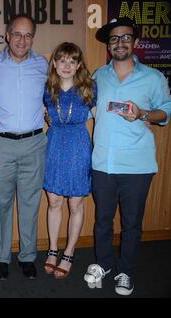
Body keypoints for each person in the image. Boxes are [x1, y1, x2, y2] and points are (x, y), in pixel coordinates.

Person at [84, 17, 171, 296]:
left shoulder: (153, 77)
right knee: (102, 220)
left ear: (135, 42)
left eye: (125, 37)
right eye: (114, 39)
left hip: (137, 165)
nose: (119, 43)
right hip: (102, 163)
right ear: (109, 46)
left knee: (132, 223)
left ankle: (126, 271)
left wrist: (144, 114)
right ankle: (104, 264)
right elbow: (87, 110)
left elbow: (166, 111)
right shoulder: (99, 75)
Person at [0, 14, 48, 280]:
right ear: (7, 35)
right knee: (0, 202)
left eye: (28, 35)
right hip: (1, 142)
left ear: (32, 38)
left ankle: (27, 256)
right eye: (17, 34)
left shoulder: (43, 64)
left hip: (35, 143)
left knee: (30, 203)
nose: (22, 40)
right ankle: (1, 257)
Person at [42, 42, 96, 279]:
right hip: (54, 146)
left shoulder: (89, 88)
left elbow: (101, 117)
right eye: (62, 60)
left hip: (78, 147)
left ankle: (70, 252)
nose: (66, 65)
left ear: (78, 65)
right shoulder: (47, 88)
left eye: (72, 61)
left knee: (75, 204)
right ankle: (53, 249)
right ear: (54, 63)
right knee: (53, 202)